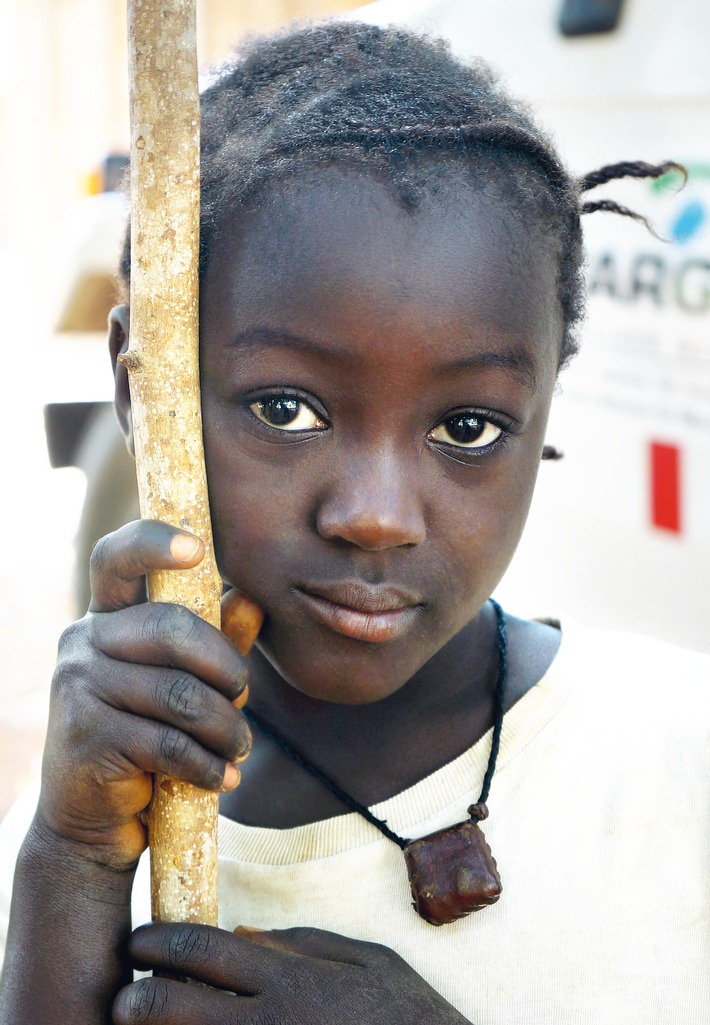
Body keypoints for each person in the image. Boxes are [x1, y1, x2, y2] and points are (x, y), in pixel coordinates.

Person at [0, 19, 708, 1025]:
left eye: (466, 426)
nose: (373, 517)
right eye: (286, 409)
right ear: (141, 388)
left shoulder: (678, 756)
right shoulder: (103, 806)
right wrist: (69, 863)